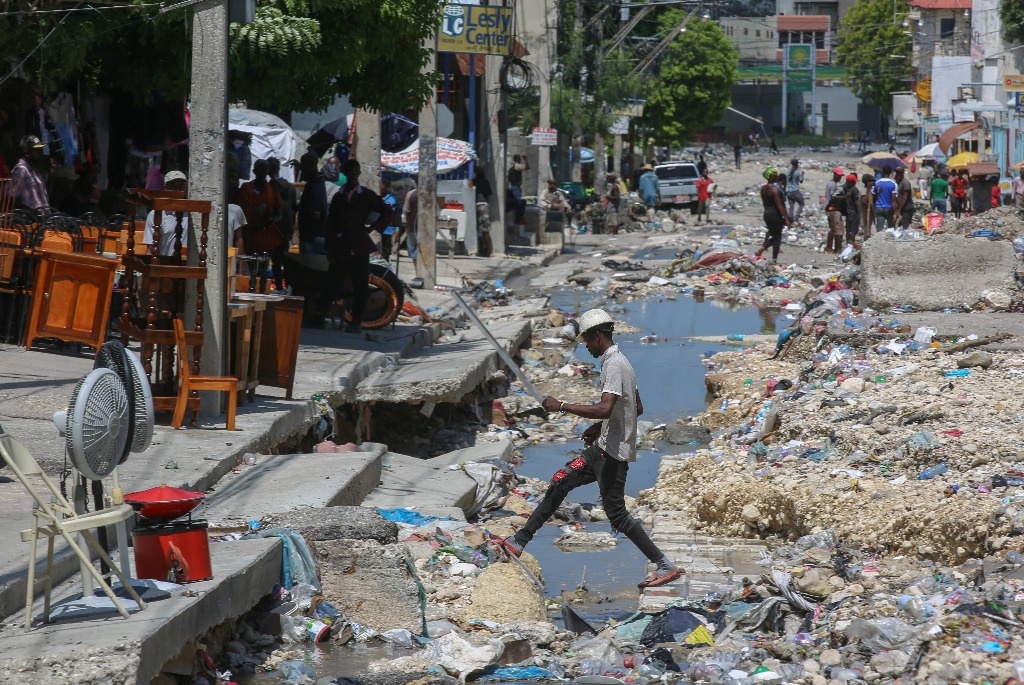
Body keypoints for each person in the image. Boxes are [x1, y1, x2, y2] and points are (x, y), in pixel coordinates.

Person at [498, 309, 682, 590]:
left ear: (599, 336)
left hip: (612, 455)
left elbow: (606, 407)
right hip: (602, 447)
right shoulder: (618, 362)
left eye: (587, 340)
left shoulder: (615, 365)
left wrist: (561, 406)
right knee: (560, 481)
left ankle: (664, 565)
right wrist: (600, 428)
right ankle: (520, 541)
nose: (585, 345)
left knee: (617, 514)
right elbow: (635, 407)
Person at [320, 159, 393, 333]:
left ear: (359, 174)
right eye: (350, 172)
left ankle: (356, 322)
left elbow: (388, 211)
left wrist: (373, 228)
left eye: (356, 172)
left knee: (360, 286)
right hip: (340, 246)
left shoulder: (367, 195)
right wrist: (329, 248)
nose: (353, 176)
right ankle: (319, 315)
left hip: (359, 246)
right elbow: (331, 224)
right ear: (345, 173)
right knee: (332, 282)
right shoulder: (339, 196)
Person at [237, 158, 284, 262]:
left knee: (263, 266)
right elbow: (238, 210)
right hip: (248, 235)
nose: (262, 173)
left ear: (267, 172)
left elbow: (279, 213)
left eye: (264, 170)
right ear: (254, 171)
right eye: (260, 170)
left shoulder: (273, 189)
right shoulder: (245, 188)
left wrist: (270, 218)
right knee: (250, 266)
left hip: (264, 234)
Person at [142, 170, 190, 257]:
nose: (177, 190)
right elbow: (150, 248)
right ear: (165, 188)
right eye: (173, 186)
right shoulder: (155, 215)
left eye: (181, 186)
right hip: (166, 263)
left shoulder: (192, 212)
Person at [267, 157, 297, 290]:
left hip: (273, 229)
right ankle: (289, 286)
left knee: (275, 261)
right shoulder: (290, 187)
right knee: (285, 259)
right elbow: (294, 209)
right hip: (286, 228)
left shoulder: (269, 187)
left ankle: (279, 286)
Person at [755, 166, 792, 262]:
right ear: (773, 177)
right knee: (777, 237)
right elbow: (780, 205)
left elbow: (764, 203)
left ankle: (762, 250)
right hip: (775, 214)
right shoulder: (775, 190)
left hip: (766, 213)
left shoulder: (763, 189)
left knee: (774, 235)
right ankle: (772, 258)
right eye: (775, 174)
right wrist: (787, 219)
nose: (777, 176)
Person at [9, 135, 51, 216]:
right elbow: (10, 197)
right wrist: (29, 212)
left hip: (44, 219)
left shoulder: (34, 169)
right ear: (27, 152)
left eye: (41, 149)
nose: (41, 152)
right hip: (31, 222)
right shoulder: (21, 170)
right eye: (37, 150)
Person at [297, 151, 329, 255]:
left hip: (311, 239)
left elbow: (316, 215)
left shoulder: (314, 187)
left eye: (303, 167)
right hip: (314, 237)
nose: (301, 171)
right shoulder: (318, 182)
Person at [872, 165, 898, 233]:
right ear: (890, 172)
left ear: (882, 172)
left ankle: (879, 242)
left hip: (878, 208)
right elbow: (894, 199)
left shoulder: (877, 183)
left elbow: (873, 197)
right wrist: (895, 213)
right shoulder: (893, 184)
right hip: (889, 208)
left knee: (879, 229)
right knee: (891, 228)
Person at [824, 167, 844, 253]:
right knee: (834, 229)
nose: (840, 177)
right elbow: (833, 197)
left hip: (829, 209)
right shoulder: (833, 185)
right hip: (832, 209)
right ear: (834, 174)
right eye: (838, 175)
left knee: (832, 228)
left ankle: (829, 247)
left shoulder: (830, 183)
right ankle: (830, 248)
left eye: (840, 176)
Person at [379, 179, 400, 262]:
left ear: (387, 187)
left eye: (382, 185)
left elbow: (396, 216)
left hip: (388, 230)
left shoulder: (392, 200)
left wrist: (397, 229)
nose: (380, 187)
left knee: (386, 251)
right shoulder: (376, 198)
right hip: (377, 229)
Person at [400, 187, 419, 271]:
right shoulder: (430, 193)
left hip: (412, 228)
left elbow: (406, 211)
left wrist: (407, 227)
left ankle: (417, 272)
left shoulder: (410, 194)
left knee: (414, 252)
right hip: (426, 231)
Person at [507, 154, 527, 225]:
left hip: (514, 187)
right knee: (519, 203)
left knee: (521, 202)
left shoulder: (511, 168)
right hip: (515, 187)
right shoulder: (517, 166)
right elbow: (527, 167)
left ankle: (519, 219)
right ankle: (518, 219)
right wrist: (525, 159)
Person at [785, 158, 804, 226]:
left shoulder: (787, 172)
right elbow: (801, 181)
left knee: (791, 206)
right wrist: (803, 174)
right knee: (801, 203)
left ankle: (790, 218)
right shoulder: (797, 172)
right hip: (795, 191)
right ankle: (796, 216)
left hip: (788, 192)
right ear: (796, 164)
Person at [859, 175, 875, 241]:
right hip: (866, 218)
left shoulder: (870, 190)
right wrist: (868, 189)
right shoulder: (864, 190)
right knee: (868, 235)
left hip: (870, 218)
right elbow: (864, 201)